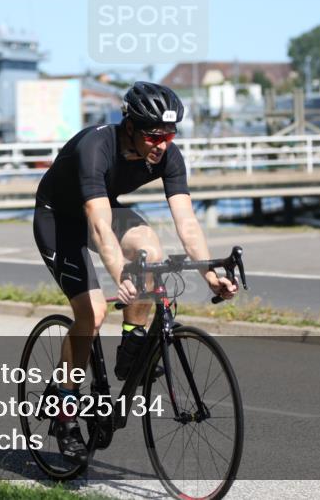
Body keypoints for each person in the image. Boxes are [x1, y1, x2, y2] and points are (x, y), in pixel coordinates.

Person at [32, 81, 238, 463]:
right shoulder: (96, 147)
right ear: (129, 126)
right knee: (91, 313)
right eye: (153, 135)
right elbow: (97, 225)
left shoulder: (168, 156)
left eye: (169, 135)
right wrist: (119, 276)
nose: (161, 144)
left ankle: (132, 343)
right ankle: (65, 411)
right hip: (60, 219)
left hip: (103, 209)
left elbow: (186, 221)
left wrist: (210, 274)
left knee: (151, 251)